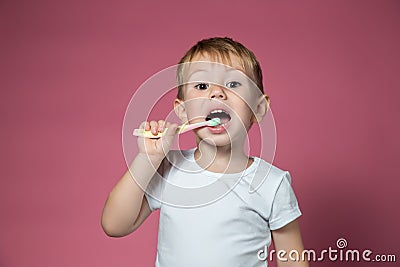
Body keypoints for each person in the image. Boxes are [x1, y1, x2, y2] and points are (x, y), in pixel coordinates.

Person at [101, 37, 309, 267]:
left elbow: (293, 260)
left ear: (257, 109)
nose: (217, 93)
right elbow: (114, 225)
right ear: (182, 111)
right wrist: (147, 159)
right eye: (202, 86)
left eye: (233, 84)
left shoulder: (272, 183)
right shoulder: (169, 168)